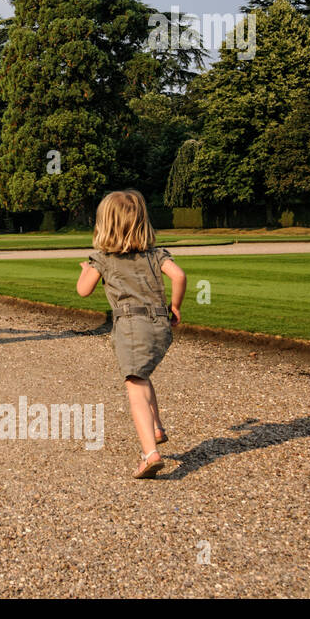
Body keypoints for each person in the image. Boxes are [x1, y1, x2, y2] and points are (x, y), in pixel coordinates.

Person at [76, 190, 186, 479]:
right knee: (143, 374)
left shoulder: (102, 259)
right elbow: (179, 276)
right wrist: (174, 306)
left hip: (131, 326)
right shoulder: (156, 255)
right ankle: (157, 427)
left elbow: (83, 291)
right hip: (159, 325)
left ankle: (150, 453)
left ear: (105, 224)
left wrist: (86, 269)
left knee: (134, 386)